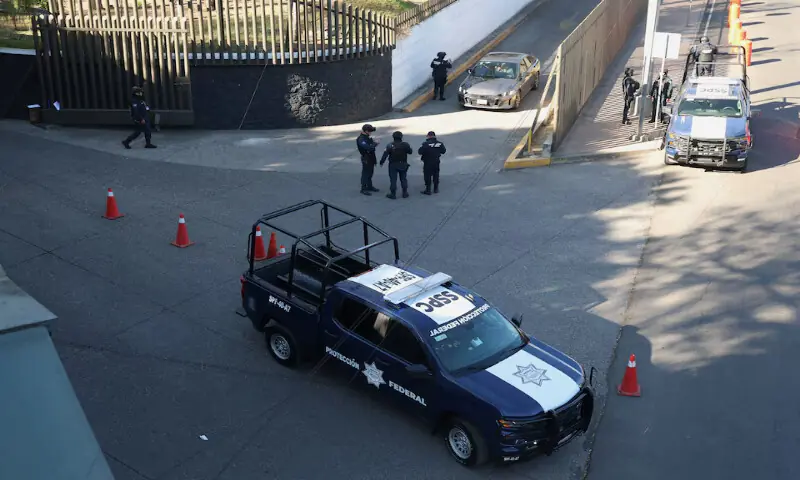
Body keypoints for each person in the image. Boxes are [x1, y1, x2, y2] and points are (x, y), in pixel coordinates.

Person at [380, 131, 413, 199]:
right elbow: (410, 152)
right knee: (403, 178)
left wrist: (381, 162)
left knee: (393, 179)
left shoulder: (390, 145)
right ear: (401, 137)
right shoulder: (405, 144)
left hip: (393, 164)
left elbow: (385, 155)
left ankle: (393, 194)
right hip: (403, 163)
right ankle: (405, 193)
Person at [356, 124, 380, 196]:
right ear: (366, 131)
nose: (371, 133)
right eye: (370, 131)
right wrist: (375, 143)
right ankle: (363, 188)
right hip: (366, 158)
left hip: (371, 157)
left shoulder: (367, 137)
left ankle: (369, 186)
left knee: (370, 173)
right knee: (365, 173)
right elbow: (368, 148)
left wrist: (373, 144)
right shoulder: (361, 139)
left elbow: (371, 146)